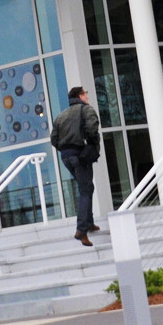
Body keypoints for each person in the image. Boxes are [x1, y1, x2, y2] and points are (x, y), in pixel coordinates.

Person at [51, 86, 103, 246]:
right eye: (85, 94)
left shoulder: (61, 115)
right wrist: (91, 146)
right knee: (85, 190)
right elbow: (93, 129)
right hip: (81, 156)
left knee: (86, 187)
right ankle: (81, 230)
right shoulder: (86, 110)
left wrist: (66, 151)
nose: (87, 96)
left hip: (67, 157)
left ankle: (89, 222)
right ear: (80, 96)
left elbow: (54, 139)